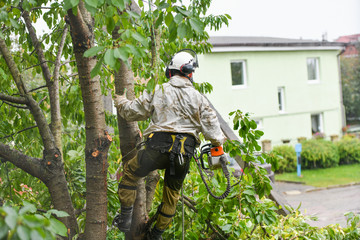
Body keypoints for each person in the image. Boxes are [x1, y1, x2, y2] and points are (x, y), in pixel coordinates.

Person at [112, 49, 226, 239]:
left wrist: (121, 101)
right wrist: (217, 146)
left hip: (155, 150)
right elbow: (213, 129)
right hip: (184, 154)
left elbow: (134, 112)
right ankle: (156, 234)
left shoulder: (160, 90)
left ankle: (125, 219)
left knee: (130, 173)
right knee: (171, 196)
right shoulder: (199, 98)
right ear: (189, 73)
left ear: (170, 71)